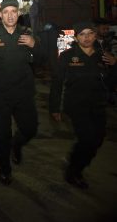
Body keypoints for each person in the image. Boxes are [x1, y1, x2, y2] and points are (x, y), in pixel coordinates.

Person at [0, 0, 42, 185]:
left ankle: (17, 144)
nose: (10, 15)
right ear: (1, 14)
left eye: (14, 11)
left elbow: (42, 59)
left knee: (30, 129)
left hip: (24, 94)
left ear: (19, 13)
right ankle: (4, 168)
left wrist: (34, 45)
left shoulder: (27, 34)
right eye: (6, 11)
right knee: (2, 134)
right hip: (1, 96)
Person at [50, 22, 116, 189]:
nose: (87, 37)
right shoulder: (67, 56)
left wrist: (115, 65)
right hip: (76, 106)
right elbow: (57, 83)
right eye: (82, 34)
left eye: (90, 33)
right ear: (76, 37)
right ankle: (74, 171)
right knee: (86, 139)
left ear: (95, 35)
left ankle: (76, 160)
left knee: (98, 140)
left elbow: (111, 82)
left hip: (98, 105)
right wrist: (55, 107)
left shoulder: (103, 56)